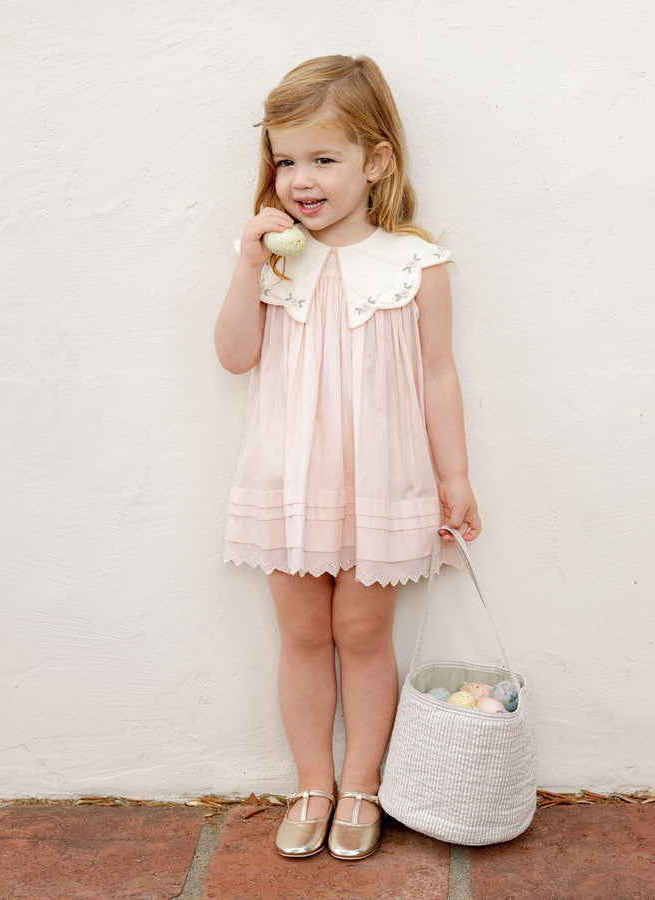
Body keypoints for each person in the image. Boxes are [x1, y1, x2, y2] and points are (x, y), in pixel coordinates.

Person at [215, 54, 481, 861]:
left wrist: (454, 477)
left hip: (380, 481)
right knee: (301, 635)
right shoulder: (275, 256)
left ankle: (362, 782)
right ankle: (312, 782)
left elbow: (438, 375)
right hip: (289, 481)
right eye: (286, 159)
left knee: (363, 633)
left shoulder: (414, 264)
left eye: (323, 159)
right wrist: (248, 263)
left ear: (376, 160)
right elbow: (234, 357)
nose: (301, 178)